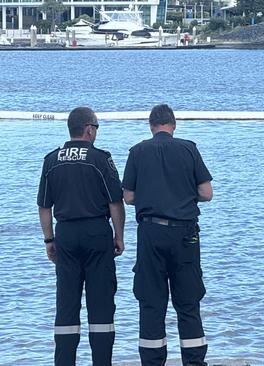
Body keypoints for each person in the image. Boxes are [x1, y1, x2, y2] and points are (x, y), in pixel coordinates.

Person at [122, 104, 213, 366]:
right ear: (173, 125)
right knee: (188, 302)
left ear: (151, 126)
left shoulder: (137, 151)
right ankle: (194, 362)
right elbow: (206, 193)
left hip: (150, 233)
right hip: (185, 234)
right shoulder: (188, 149)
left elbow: (128, 197)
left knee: (151, 302)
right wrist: (182, 193)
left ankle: (152, 362)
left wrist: (153, 195)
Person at [37, 106, 125, 365]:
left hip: (65, 232)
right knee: (101, 305)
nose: (96, 132)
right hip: (96, 232)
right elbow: (115, 203)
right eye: (96, 127)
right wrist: (119, 236)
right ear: (88, 129)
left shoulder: (51, 160)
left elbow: (44, 206)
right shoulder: (100, 158)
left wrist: (49, 240)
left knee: (66, 304)